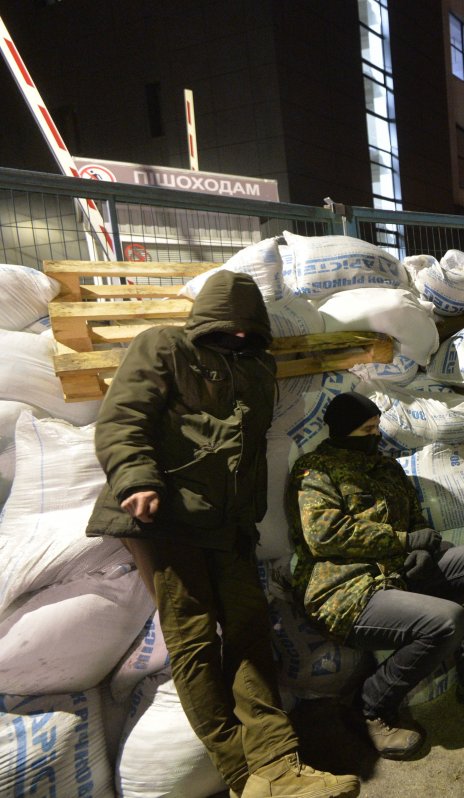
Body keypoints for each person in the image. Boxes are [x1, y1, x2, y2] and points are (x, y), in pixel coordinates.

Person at [85, 271, 359, 798]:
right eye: (226, 328)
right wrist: (136, 479)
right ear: (206, 318)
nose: (236, 337)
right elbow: (122, 418)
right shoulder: (163, 346)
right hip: (163, 517)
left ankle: (278, 767)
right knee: (194, 642)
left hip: (227, 525)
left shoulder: (259, 366)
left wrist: (249, 519)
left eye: (245, 329)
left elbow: (250, 452)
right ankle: (243, 776)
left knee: (251, 632)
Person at [286, 392, 464, 760]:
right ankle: (371, 706)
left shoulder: (386, 468)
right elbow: (324, 534)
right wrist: (403, 541)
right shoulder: (314, 470)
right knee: (446, 622)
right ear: (344, 431)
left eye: (377, 427)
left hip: (397, 571)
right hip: (346, 589)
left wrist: (418, 548)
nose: (375, 436)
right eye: (367, 429)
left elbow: (413, 518)